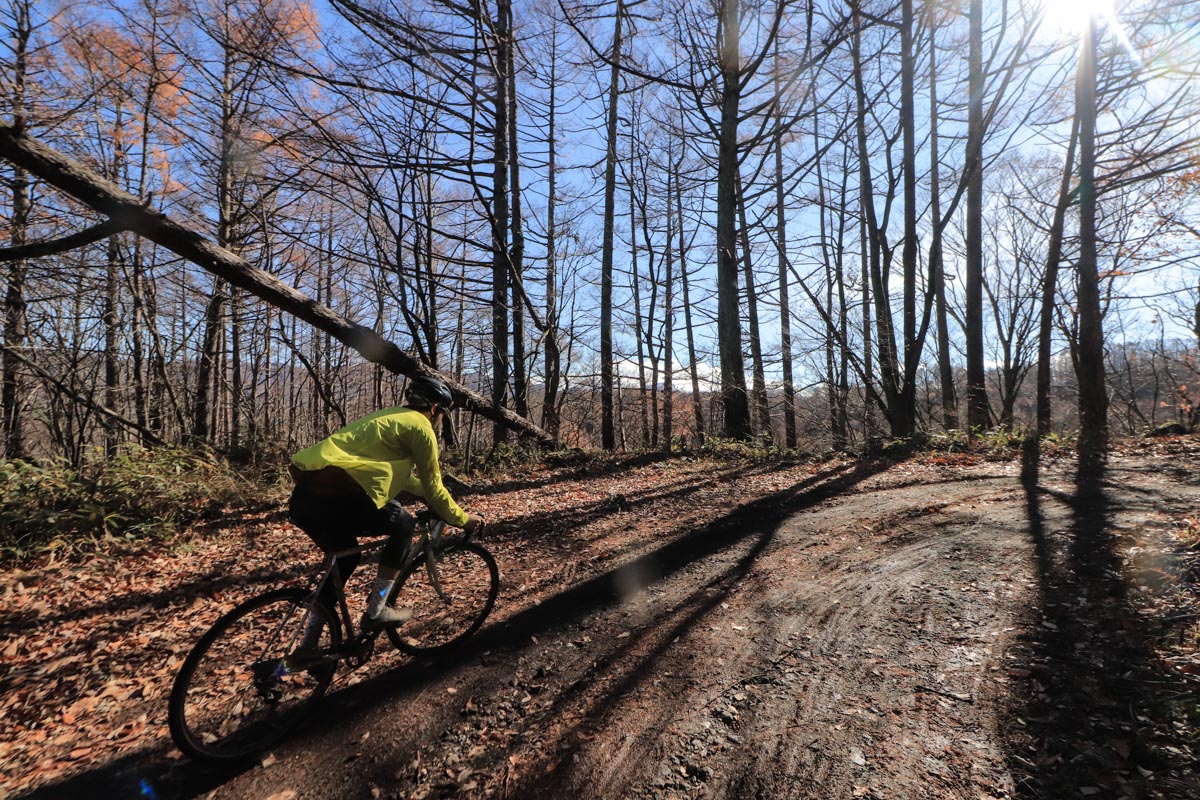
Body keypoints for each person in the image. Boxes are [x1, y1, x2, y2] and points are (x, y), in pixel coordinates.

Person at [288, 375, 484, 629]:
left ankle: (308, 644)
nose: (439, 421)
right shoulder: (422, 429)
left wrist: (424, 493)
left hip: (305, 498)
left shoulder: (389, 417)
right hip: (340, 499)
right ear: (435, 409)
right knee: (403, 524)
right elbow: (434, 489)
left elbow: (397, 476)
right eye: (442, 415)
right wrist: (464, 520)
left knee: (345, 560)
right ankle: (377, 609)